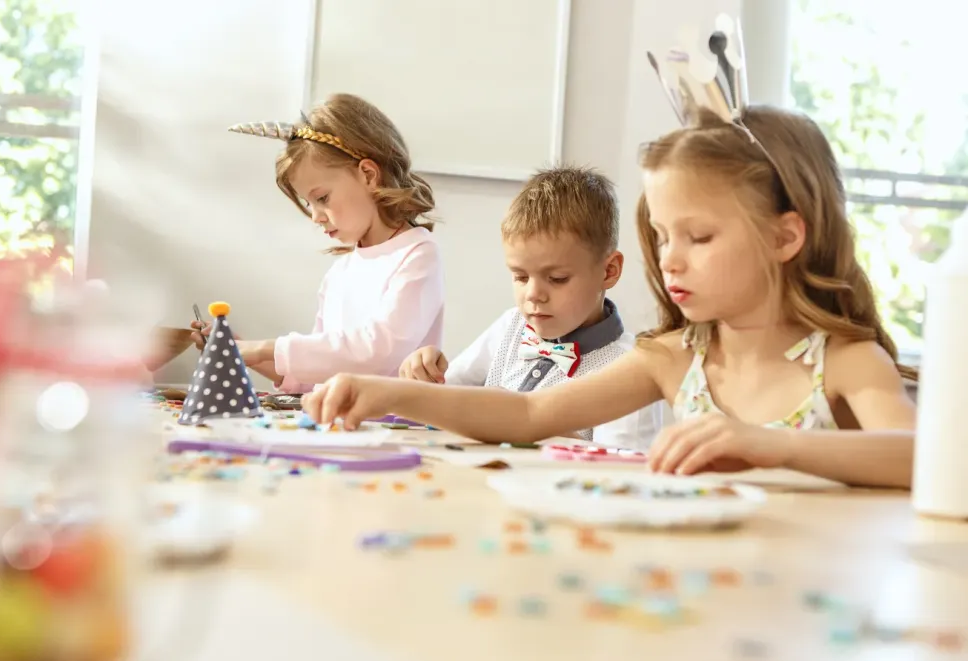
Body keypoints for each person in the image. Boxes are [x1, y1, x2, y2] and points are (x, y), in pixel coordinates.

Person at [302, 105, 918, 489]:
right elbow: (527, 415)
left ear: (785, 236)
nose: (670, 258)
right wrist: (387, 392)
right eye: (663, 236)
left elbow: (922, 458)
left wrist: (774, 445)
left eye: (698, 237)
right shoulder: (672, 357)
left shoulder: (845, 363)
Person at [191, 93, 444, 392]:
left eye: (322, 198)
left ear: (368, 174)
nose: (315, 216)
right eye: (308, 203)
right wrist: (238, 349)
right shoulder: (340, 272)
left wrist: (262, 349)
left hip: (391, 427)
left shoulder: (416, 253)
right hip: (341, 426)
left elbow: (377, 352)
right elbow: (317, 373)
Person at [399, 166, 662, 449]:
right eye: (521, 277)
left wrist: (528, 423)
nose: (534, 294)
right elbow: (447, 395)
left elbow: (621, 468)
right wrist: (426, 373)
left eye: (557, 279)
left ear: (608, 271)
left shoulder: (630, 369)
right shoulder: (511, 326)